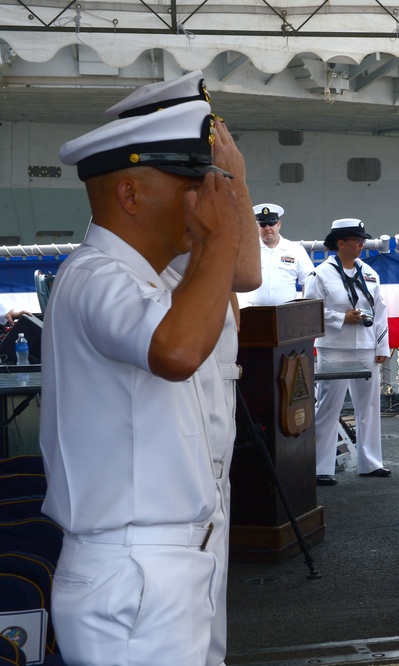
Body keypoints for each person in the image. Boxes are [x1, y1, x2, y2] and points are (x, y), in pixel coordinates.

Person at [44, 96, 247, 665]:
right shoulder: (93, 276)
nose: (204, 199)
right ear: (130, 195)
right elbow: (177, 351)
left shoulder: (154, 277)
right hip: (133, 571)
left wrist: (223, 226)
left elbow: (241, 280)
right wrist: (223, 235)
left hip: (171, 564)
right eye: (191, 183)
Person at [306, 219, 390, 483]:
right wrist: (341, 317)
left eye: (362, 240)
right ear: (340, 243)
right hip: (334, 348)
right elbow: (311, 309)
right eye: (356, 240)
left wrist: (381, 345)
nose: (362, 244)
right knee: (329, 407)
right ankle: (321, 467)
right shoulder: (320, 274)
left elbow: (381, 312)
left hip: (366, 346)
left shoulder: (370, 273)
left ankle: (371, 463)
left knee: (368, 406)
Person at [244, 203, 315, 305]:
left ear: (279, 224)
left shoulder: (295, 250)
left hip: (287, 313)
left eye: (271, 223)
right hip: (253, 313)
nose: (267, 228)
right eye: (263, 224)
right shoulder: (248, 250)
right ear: (257, 226)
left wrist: (305, 310)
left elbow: (309, 282)